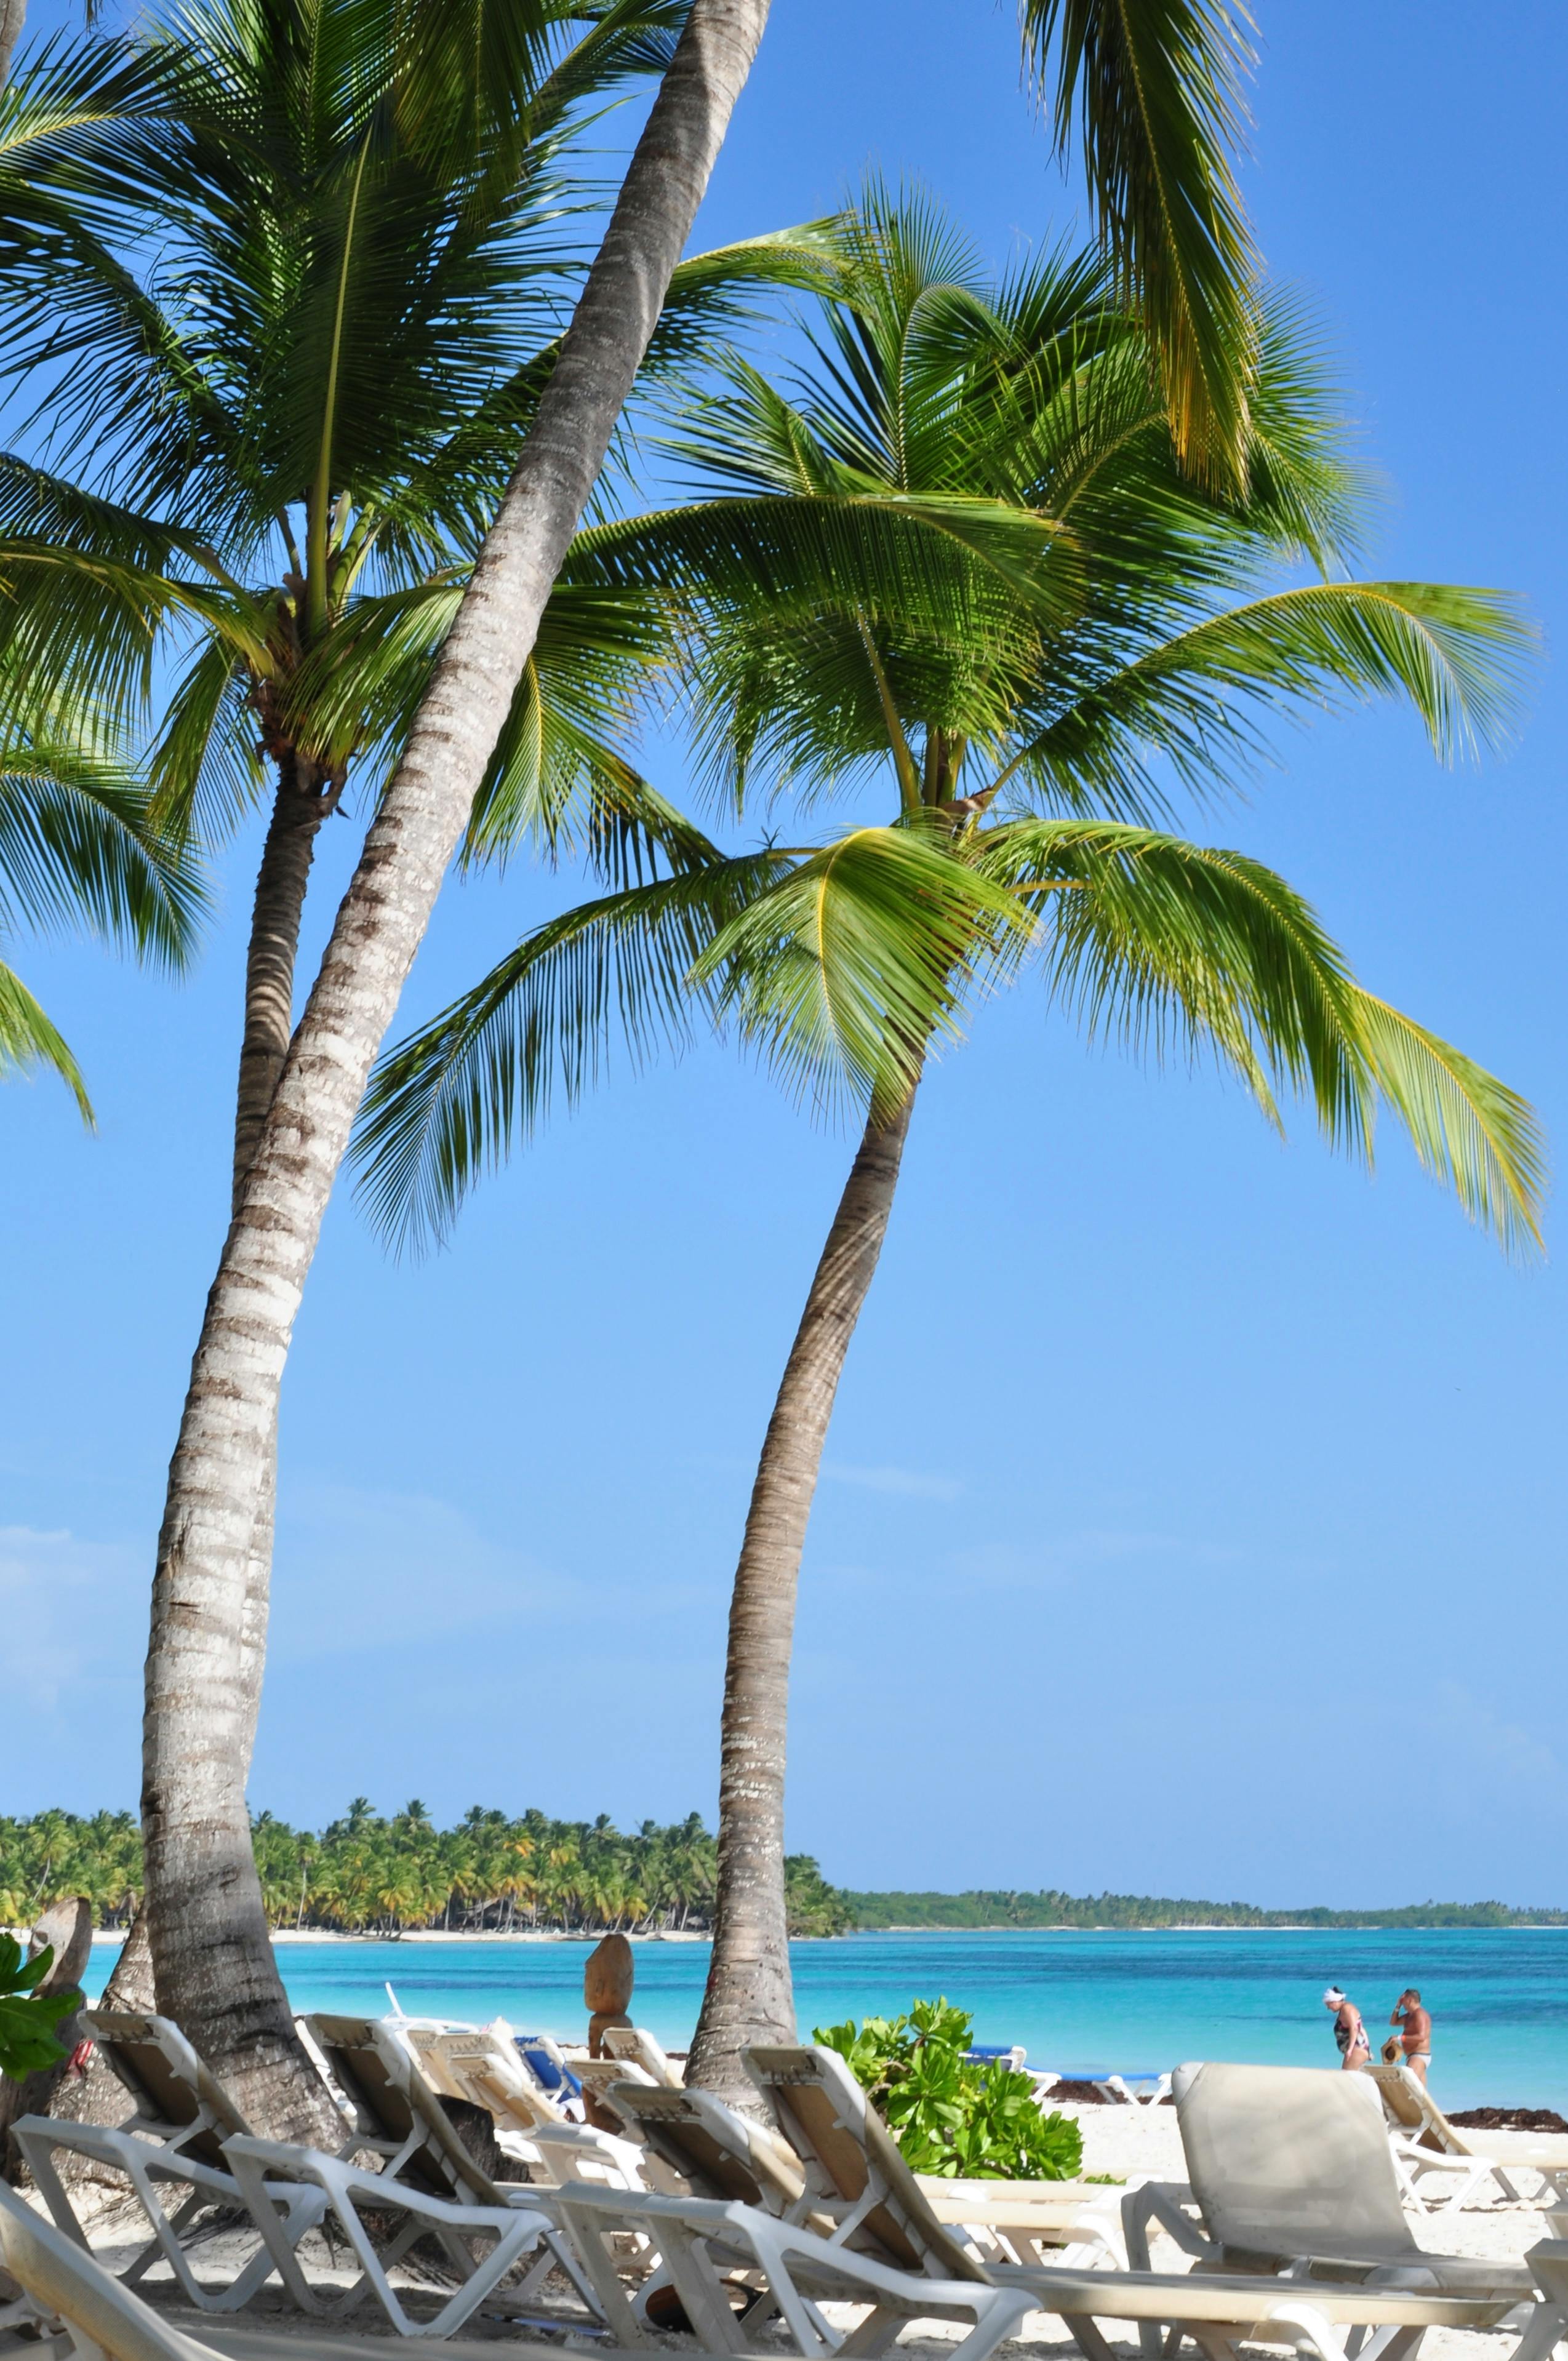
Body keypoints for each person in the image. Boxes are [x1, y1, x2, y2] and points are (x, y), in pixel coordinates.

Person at [1391, 1987, 1433, 2083]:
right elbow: (1394, 2022)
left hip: (1419, 2056)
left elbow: (1421, 2037)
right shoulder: (1410, 2015)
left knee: (1408, 2085)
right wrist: (1398, 2006)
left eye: (1403, 2000)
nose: (1402, 2002)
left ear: (1410, 2000)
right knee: (1419, 2094)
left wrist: (1400, 2038)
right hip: (1413, 2056)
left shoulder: (1420, 2014)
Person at [1322, 1985, 1370, 2069]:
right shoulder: (1345, 2009)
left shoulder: (1347, 2009)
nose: (1328, 2008)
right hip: (1358, 2050)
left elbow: (1354, 2029)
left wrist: (1350, 2050)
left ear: (1334, 2002)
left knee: (1346, 2077)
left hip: (1356, 2050)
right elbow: (1362, 2030)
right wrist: (1368, 2051)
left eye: (1328, 2005)